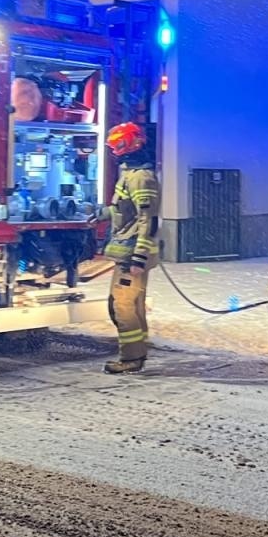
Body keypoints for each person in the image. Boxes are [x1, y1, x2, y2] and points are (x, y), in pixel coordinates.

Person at [101, 121, 160, 375]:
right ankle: (137, 350)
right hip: (128, 252)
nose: (116, 151)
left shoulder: (140, 178)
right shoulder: (129, 174)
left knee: (123, 306)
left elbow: (149, 220)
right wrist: (99, 214)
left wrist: (138, 258)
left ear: (133, 144)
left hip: (132, 255)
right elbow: (122, 211)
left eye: (120, 145)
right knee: (130, 304)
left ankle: (131, 358)